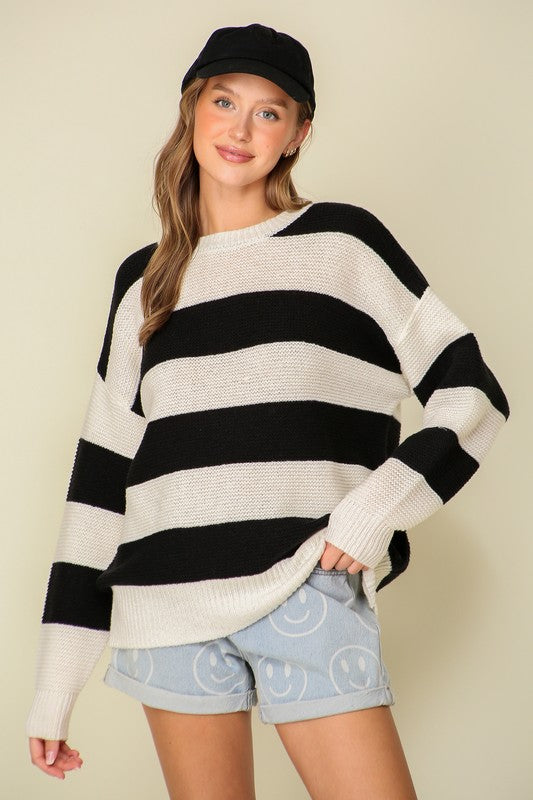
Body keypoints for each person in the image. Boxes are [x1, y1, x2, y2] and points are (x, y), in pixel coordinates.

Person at [27, 22, 510, 800]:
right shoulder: (144, 283)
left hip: (303, 587)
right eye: (224, 101)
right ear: (191, 110)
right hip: (164, 612)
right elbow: (101, 480)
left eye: (269, 111)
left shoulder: (342, 245)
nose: (241, 128)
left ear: (297, 134)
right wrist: (57, 684)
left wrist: (372, 512)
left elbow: (471, 391)